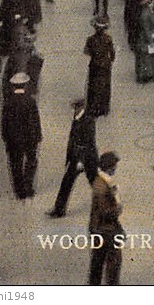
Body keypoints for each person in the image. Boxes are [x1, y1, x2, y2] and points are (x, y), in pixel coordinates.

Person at [47, 99, 99, 218]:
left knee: (94, 182)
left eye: (76, 108)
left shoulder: (88, 120)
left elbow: (87, 142)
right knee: (67, 182)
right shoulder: (77, 118)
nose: (74, 110)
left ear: (80, 108)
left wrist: (80, 161)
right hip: (77, 157)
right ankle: (59, 209)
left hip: (86, 159)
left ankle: (107, 202)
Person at [1, 71, 42, 200]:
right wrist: (38, 136)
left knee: (15, 164)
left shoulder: (8, 102)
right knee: (31, 161)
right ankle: (28, 187)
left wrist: (6, 137)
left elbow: (4, 123)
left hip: (13, 140)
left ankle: (19, 191)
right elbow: (35, 121)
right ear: (25, 85)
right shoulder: (30, 101)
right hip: (29, 138)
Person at [88, 151, 125, 285]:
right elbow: (106, 211)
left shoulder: (101, 181)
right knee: (114, 261)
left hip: (98, 229)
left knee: (98, 261)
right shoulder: (103, 186)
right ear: (110, 167)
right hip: (106, 230)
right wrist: (118, 209)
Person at [84, 18, 116, 117]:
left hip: (95, 64)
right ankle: (104, 107)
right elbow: (112, 53)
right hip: (105, 65)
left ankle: (93, 106)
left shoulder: (90, 39)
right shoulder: (108, 39)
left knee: (93, 84)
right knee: (105, 85)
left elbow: (86, 51)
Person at [135, 0, 154, 83]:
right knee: (147, 56)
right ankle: (146, 74)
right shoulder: (145, 14)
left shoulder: (151, 11)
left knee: (153, 55)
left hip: (153, 36)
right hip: (148, 38)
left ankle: (153, 73)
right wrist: (151, 39)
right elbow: (146, 28)